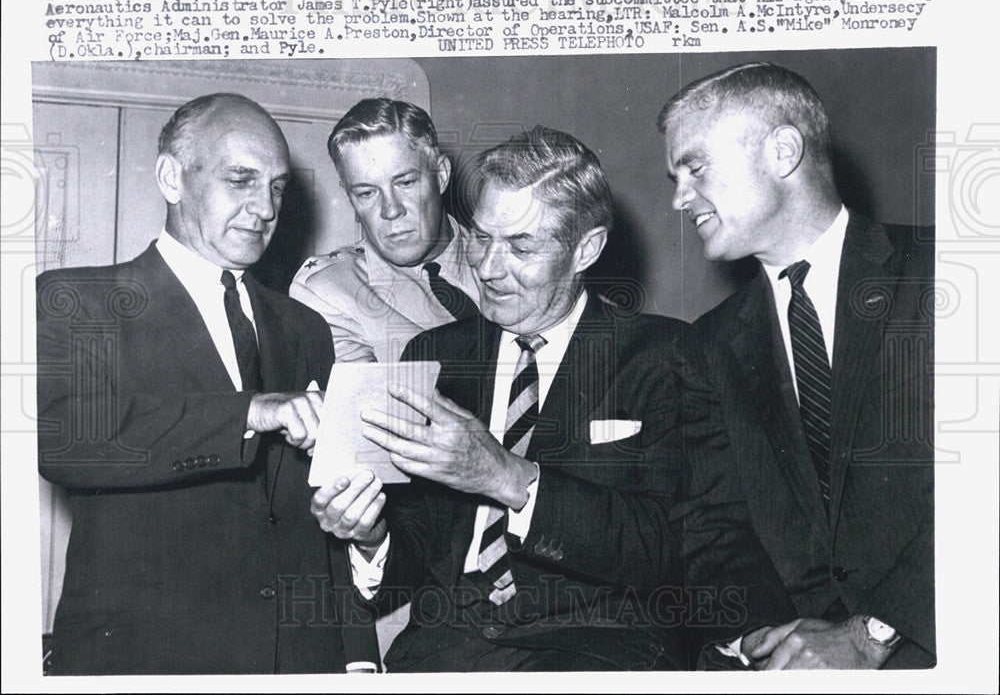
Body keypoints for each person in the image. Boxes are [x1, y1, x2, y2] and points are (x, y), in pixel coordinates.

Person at [311, 126, 685, 672]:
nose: (487, 268)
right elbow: (422, 542)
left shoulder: (665, 355)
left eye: (521, 246)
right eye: (482, 238)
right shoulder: (436, 352)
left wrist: (506, 476)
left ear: (587, 248)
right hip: (443, 652)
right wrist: (372, 534)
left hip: (595, 650)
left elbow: (672, 549)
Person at [36, 93, 378, 675]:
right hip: (148, 662)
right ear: (172, 177)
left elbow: (318, 511)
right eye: (240, 179)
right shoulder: (79, 301)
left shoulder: (305, 328)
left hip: (299, 663)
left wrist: (355, 656)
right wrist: (250, 411)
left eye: (275, 187)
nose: (264, 208)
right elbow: (66, 440)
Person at [660, 63, 935, 669]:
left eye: (695, 168)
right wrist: (767, 640)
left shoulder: (947, 271)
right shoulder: (707, 348)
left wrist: (870, 635)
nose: (680, 198)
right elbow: (714, 526)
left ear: (783, 150)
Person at [290, 97, 480, 363]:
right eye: (367, 193)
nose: (391, 210)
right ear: (349, 197)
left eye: (405, 182)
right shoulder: (329, 289)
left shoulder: (513, 263)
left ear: (442, 175)